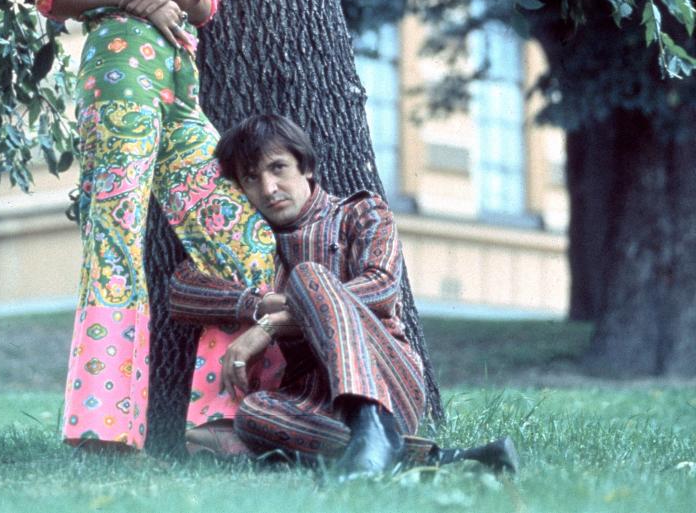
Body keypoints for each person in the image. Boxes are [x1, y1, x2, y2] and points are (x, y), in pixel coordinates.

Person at [30, 0, 276, 451]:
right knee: (116, 238)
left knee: (244, 240)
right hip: (116, 80)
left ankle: (218, 417)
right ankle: (102, 429)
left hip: (179, 89)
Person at [170, 114, 518, 477]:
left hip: (386, 379)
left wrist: (270, 326)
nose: (269, 188)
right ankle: (434, 457)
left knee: (309, 276)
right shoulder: (246, 243)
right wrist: (254, 303)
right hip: (312, 400)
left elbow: (381, 287)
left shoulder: (360, 213)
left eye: (278, 168)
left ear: (305, 167)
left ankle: (373, 420)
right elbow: (182, 290)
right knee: (254, 415)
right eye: (252, 178)